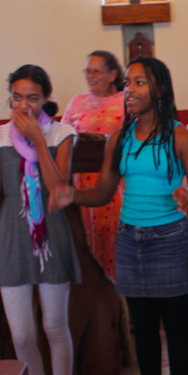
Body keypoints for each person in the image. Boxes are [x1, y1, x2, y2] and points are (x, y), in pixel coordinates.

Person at [55, 57, 188, 375]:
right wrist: (73, 194)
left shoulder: (179, 137)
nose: (131, 90)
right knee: (142, 327)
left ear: (159, 87)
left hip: (170, 238)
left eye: (139, 82)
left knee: (175, 325)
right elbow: (105, 192)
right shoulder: (118, 138)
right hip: (131, 240)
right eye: (128, 83)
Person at [0, 66, 80, 375]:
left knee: (53, 325)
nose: (24, 105)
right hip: (13, 240)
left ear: (45, 98)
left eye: (32, 98)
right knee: (21, 334)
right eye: (17, 97)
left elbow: (58, 190)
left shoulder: (62, 133)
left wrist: (38, 140)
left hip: (52, 237)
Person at [62, 50, 126, 280]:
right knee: (84, 243)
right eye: (87, 70)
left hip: (115, 184)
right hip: (80, 184)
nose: (90, 75)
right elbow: (62, 137)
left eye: (96, 71)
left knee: (114, 243)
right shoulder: (77, 102)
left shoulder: (124, 101)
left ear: (112, 74)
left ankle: (121, 302)